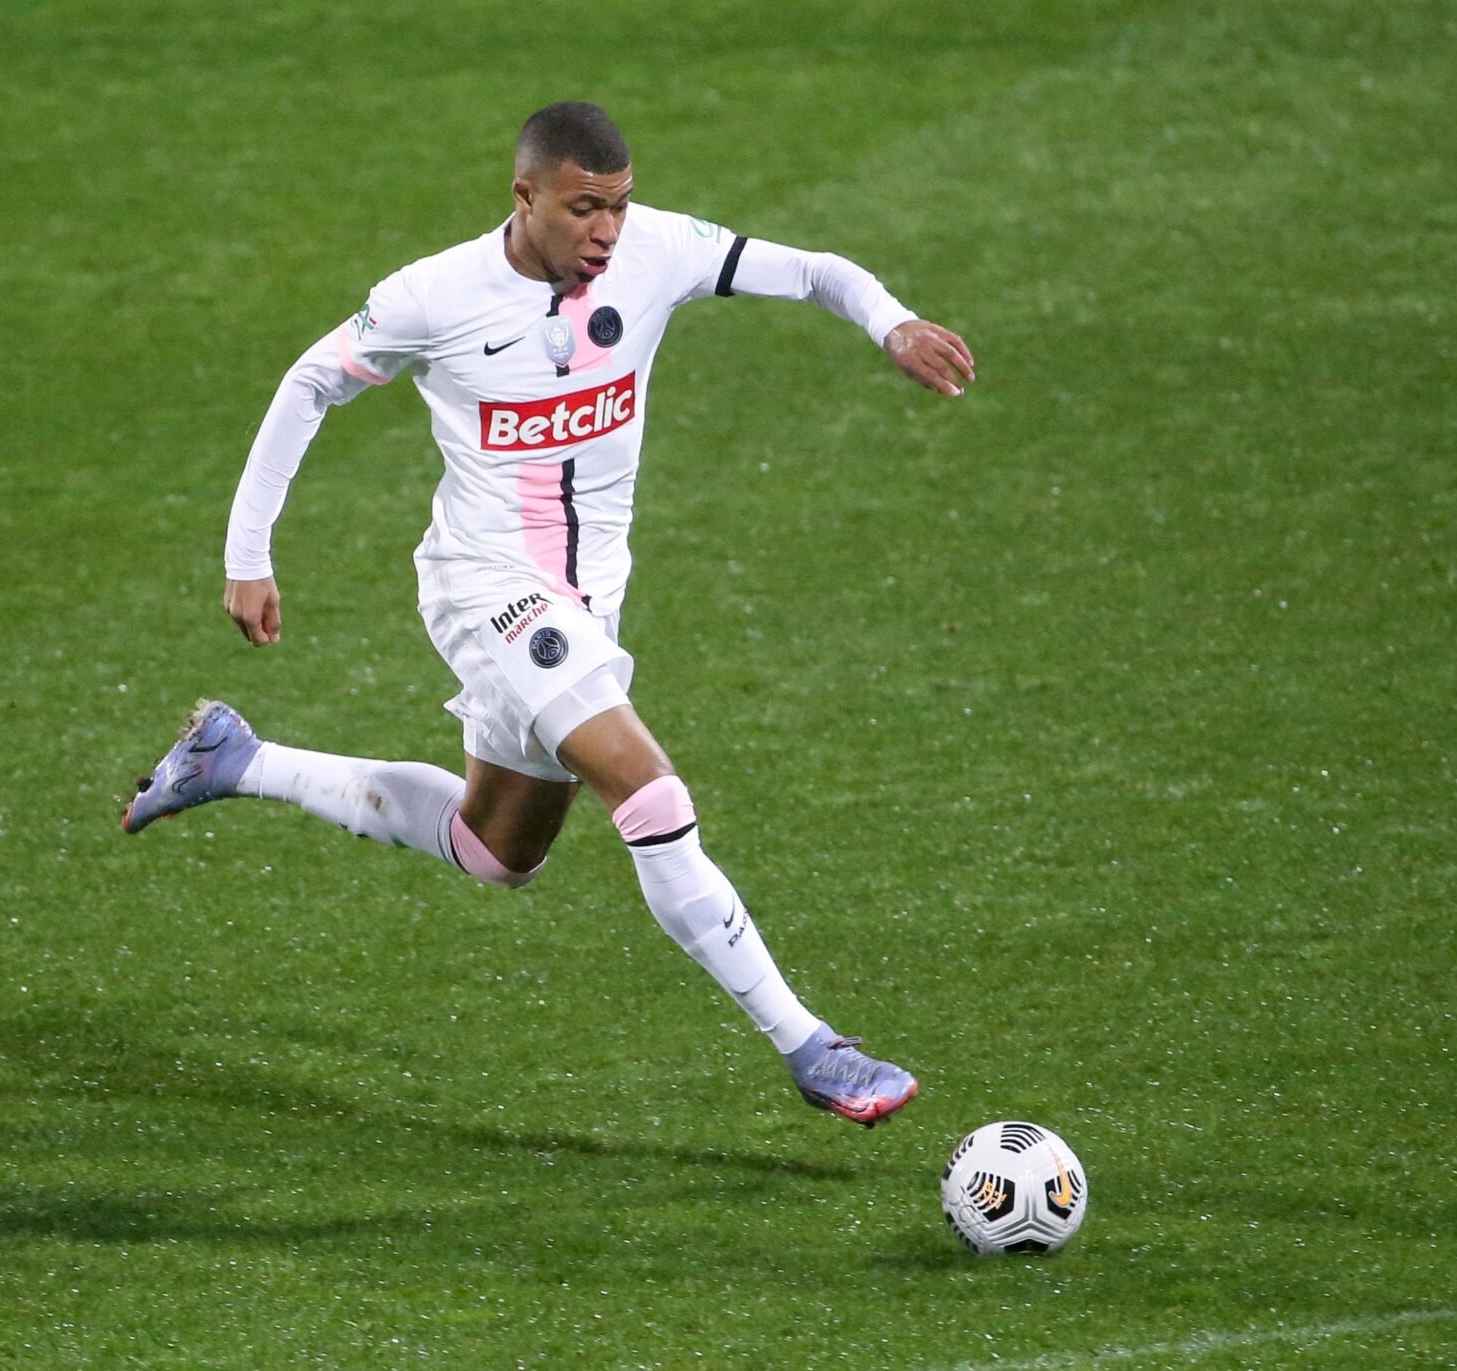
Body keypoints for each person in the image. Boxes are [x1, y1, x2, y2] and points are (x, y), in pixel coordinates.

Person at [123, 101, 974, 1126]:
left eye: (616, 205)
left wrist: (891, 321)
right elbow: (309, 382)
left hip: (587, 603)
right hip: (486, 588)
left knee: (497, 850)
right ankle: (811, 1046)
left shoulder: (653, 249)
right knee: (649, 795)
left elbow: (815, 268)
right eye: (582, 210)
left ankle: (237, 759)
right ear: (523, 196)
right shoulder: (433, 296)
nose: (606, 232)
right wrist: (247, 556)